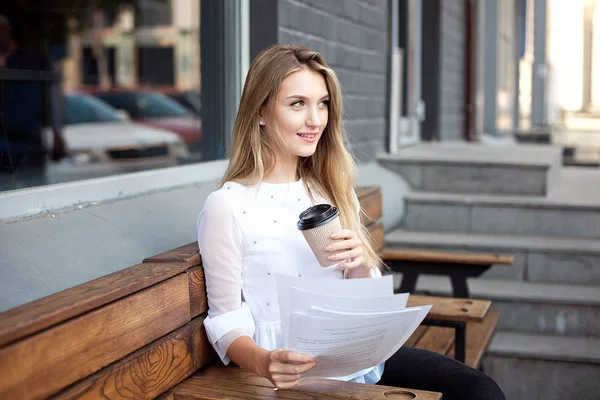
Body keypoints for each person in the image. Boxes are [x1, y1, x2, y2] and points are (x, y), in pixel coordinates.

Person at [197, 44, 505, 400]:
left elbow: (359, 296)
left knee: (480, 391)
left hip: (355, 352)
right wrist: (265, 361)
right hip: (288, 369)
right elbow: (226, 321)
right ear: (262, 111)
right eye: (298, 104)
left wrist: (359, 263)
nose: (315, 119)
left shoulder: (327, 189)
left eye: (322, 103)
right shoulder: (227, 206)